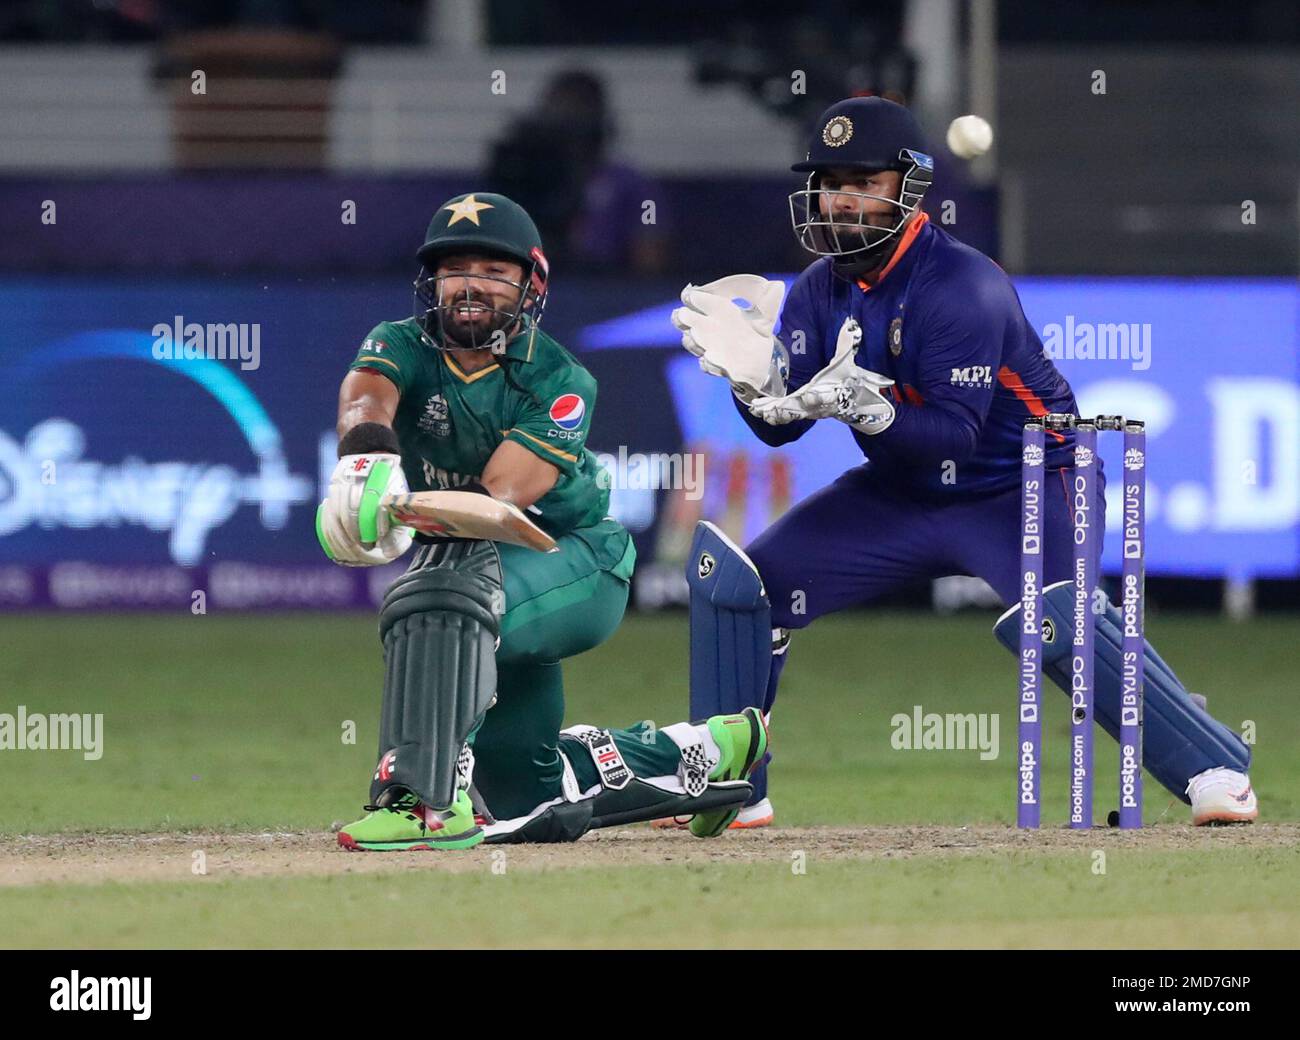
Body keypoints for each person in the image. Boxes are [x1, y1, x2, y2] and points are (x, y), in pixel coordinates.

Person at [669, 97, 1257, 828]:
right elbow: (781, 434)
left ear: (908, 187)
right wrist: (753, 388)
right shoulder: (818, 288)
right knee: (741, 592)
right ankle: (731, 787)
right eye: (829, 180)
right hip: (903, 490)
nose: (841, 199)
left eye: (863, 180)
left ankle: (1217, 768)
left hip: (1030, 479)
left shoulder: (961, 285)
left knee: (1060, 621)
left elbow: (953, 437)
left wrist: (867, 408)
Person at [315, 191, 766, 850]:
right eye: (455, 267)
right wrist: (363, 462)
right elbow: (367, 394)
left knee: (436, 595)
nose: (471, 284)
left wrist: (391, 511)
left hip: (577, 562)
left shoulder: (559, 378)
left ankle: (423, 801)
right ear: (431, 280)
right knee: (525, 790)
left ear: (530, 286)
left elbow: (498, 497)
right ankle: (702, 750)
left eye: (494, 271)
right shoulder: (401, 343)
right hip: (478, 569)